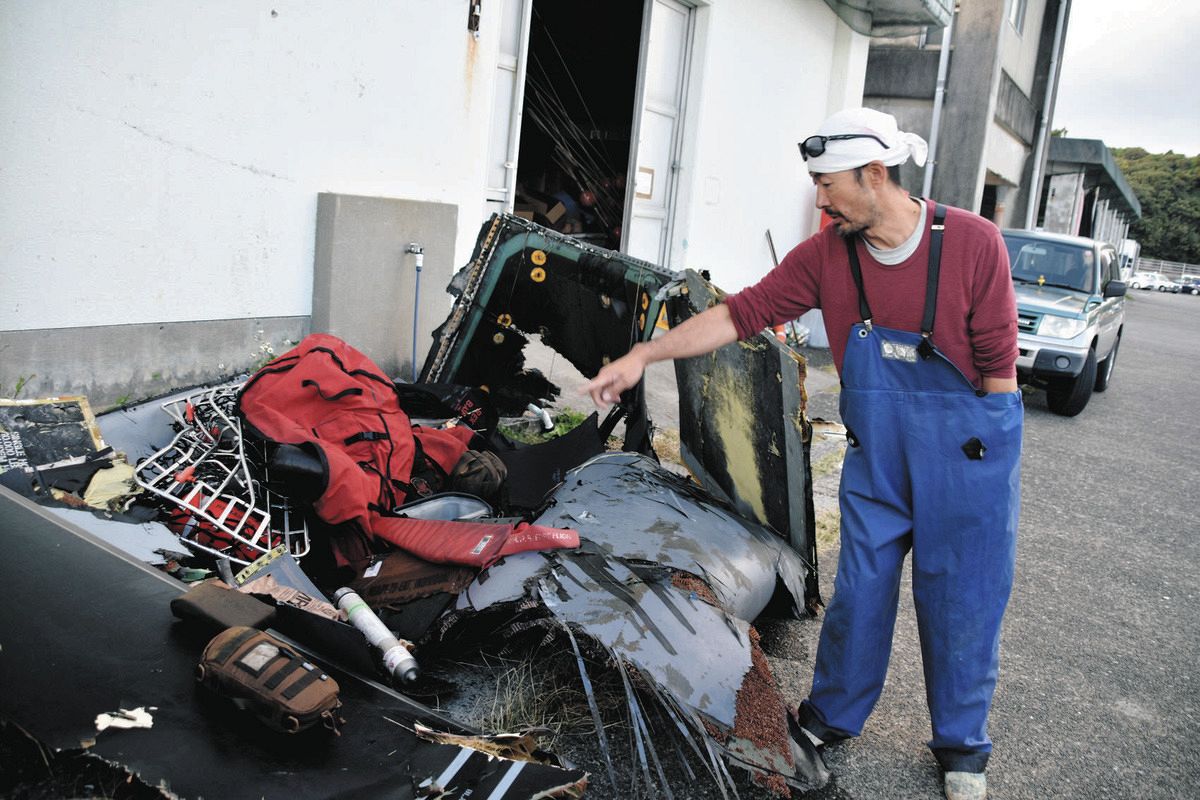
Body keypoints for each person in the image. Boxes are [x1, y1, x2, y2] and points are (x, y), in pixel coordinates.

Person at [582, 108, 1022, 800]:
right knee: (860, 594)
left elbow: (999, 365)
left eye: (827, 183)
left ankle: (962, 746)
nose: (819, 198)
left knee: (961, 600)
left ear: (875, 175)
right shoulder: (826, 256)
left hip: (966, 458)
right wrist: (645, 354)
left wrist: (989, 461)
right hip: (880, 457)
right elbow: (741, 313)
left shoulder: (971, 243)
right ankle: (832, 716)